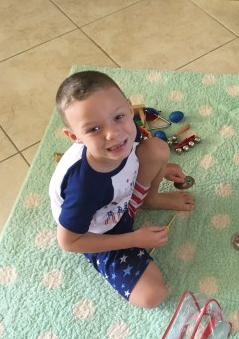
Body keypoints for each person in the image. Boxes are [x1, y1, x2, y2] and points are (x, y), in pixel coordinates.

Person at [49, 71, 195, 308]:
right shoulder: (84, 188)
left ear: (129, 108)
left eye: (118, 117)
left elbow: (136, 156)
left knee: (157, 149)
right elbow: (69, 242)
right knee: (152, 295)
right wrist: (134, 239)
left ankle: (151, 199)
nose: (114, 133)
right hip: (101, 232)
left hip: (122, 198)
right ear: (74, 136)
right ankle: (137, 216)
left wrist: (162, 169)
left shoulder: (126, 134)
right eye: (94, 129)